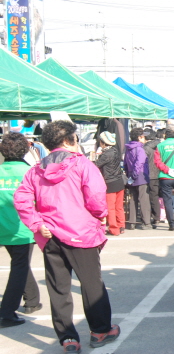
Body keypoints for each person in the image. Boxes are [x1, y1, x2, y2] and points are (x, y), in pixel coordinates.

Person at [14, 120, 120, 353]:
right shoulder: (82, 165)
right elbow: (96, 196)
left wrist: (36, 223)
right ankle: (100, 330)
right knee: (91, 283)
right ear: (68, 140)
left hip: (49, 234)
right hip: (80, 233)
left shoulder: (36, 169)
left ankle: (67, 338)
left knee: (58, 288)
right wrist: (99, 215)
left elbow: (21, 200)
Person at [0, 132, 42, 329]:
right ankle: (7, 312)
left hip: (3, 227)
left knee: (21, 264)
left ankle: (32, 300)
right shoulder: (30, 172)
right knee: (19, 267)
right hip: (23, 228)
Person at [94, 131, 126, 236]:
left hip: (110, 183)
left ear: (103, 142)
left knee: (110, 208)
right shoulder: (115, 151)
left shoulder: (106, 154)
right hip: (119, 181)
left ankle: (114, 229)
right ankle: (121, 226)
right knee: (119, 206)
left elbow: (96, 165)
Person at [124, 127, 152, 230]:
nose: (145, 138)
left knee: (133, 199)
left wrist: (130, 176)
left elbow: (125, 164)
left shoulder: (128, 149)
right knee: (144, 200)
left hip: (131, 175)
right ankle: (146, 223)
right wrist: (135, 174)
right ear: (139, 137)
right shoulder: (140, 149)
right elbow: (139, 163)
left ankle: (132, 222)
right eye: (143, 136)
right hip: (140, 176)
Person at [142, 129, 162, 228]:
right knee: (155, 197)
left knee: (150, 197)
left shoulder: (146, 148)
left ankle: (154, 217)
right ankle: (157, 217)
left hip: (149, 174)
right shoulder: (160, 145)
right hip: (159, 173)